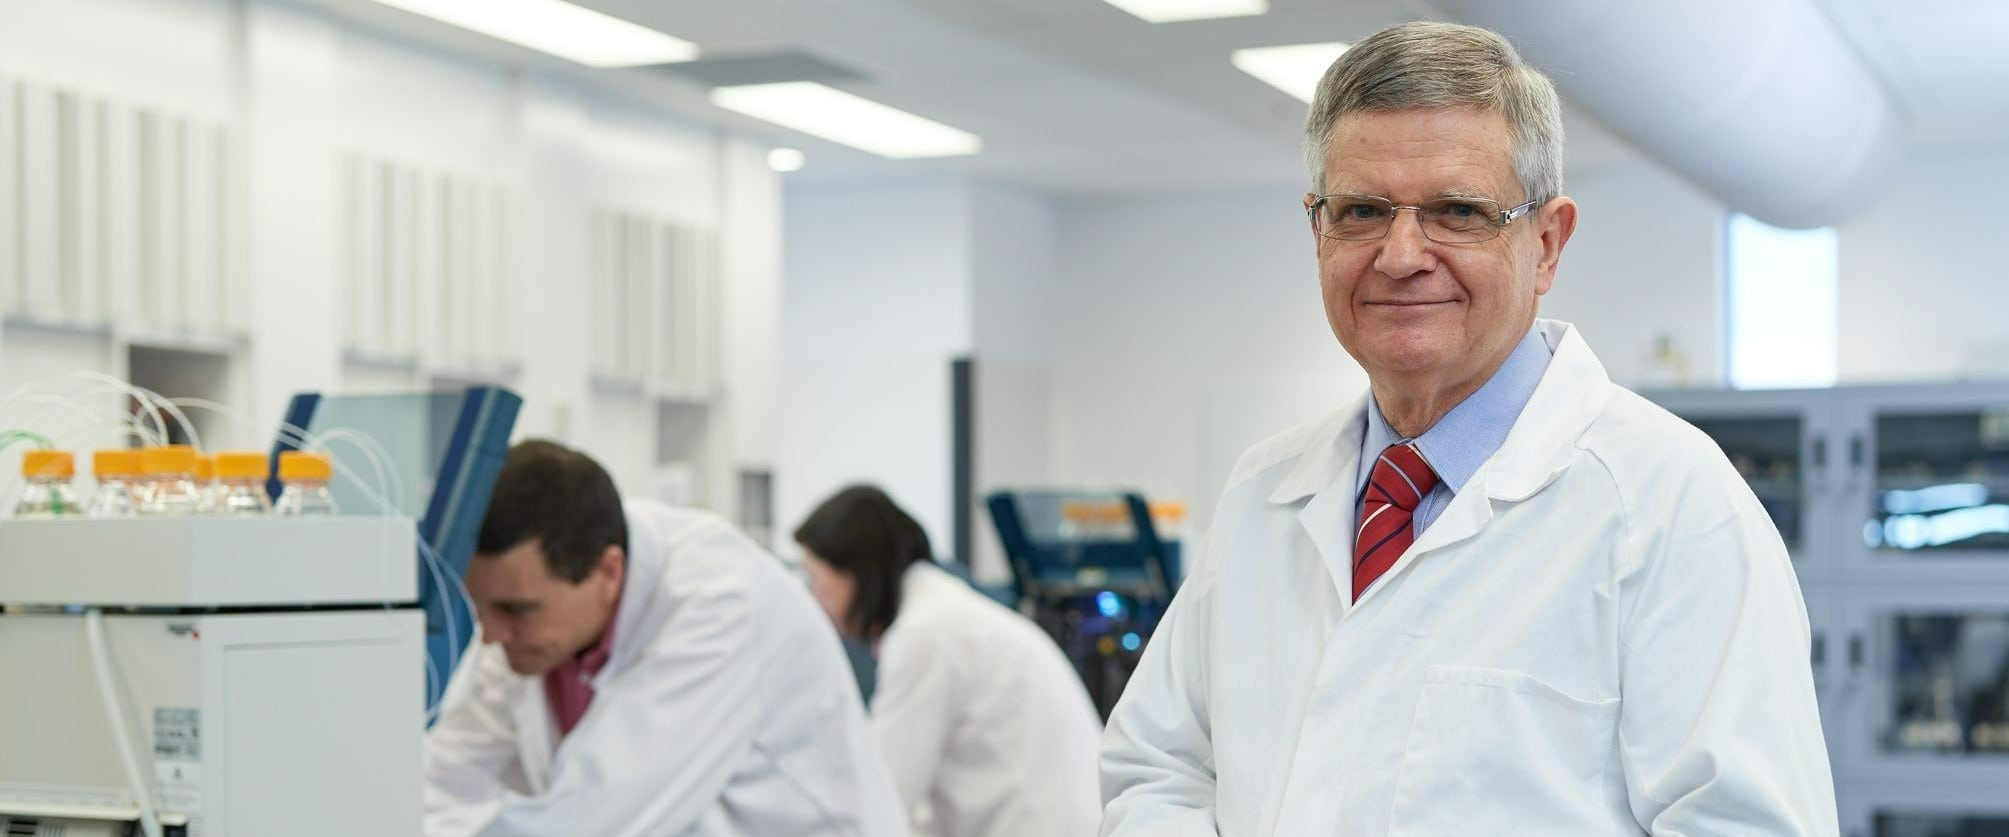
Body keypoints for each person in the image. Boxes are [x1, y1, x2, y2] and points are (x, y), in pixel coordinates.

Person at [1099, 21, 1837, 836]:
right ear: (1317, 231)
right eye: (1361, 211)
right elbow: (1157, 768)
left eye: (1456, 211)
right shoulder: (1261, 493)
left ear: (1546, 243)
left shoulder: (1672, 507)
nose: (1399, 254)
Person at [424, 440, 908, 837]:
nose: (491, 635)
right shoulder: (535, 617)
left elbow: (596, 818)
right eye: (479, 606)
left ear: (608, 572)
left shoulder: (719, 604)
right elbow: (443, 779)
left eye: (516, 611)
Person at [795, 485, 1103, 837]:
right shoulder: (943, 612)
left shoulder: (924, 632)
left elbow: (884, 797)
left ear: (858, 572)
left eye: (815, 579)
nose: (814, 599)